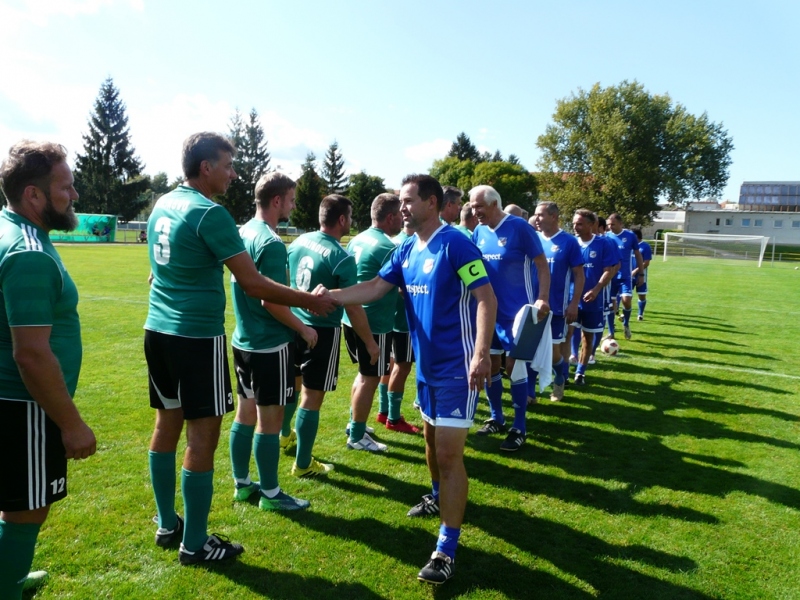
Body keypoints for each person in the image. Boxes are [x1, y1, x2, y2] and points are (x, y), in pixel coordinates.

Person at [145, 132, 337, 566]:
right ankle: (195, 544)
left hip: (156, 330)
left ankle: (166, 523)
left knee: (166, 426)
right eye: (227, 166)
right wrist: (311, 301)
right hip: (196, 337)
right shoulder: (208, 213)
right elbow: (253, 285)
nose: (233, 174)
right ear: (206, 167)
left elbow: (155, 272)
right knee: (201, 437)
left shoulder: (161, 204)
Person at [330, 174, 496, 585]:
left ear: (432, 202)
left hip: (458, 370)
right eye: (401, 201)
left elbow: (485, 298)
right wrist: (331, 297)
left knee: (448, 455)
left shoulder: (456, 243)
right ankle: (438, 498)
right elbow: (373, 288)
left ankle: (446, 548)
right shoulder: (406, 246)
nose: (401, 206)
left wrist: (480, 354)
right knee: (428, 440)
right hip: (426, 369)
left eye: (408, 200)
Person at [0, 141, 96, 599]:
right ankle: (7, 585)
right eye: (66, 186)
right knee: (27, 508)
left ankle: (8, 573)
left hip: (14, 401)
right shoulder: (29, 251)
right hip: (23, 405)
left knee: (15, 502)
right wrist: (72, 424)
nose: (74, 195)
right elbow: (32, 355)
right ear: (34, 195)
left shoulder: (7, 231)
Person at [228, 172, 317, 512]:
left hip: (244, 340)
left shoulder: (243, 232)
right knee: (270, 421)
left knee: (244, 414)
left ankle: (242, 484)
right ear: (277, 200)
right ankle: (270, 493)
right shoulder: (270, 242)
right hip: (270, 344)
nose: (293, 206)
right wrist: (303, 328)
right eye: (291, 200)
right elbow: (271, 301)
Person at [288, 194, 381, 476]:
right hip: (322, 333)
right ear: (342, 219)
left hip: (292, 324)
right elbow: (353, 308)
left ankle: (283, 435)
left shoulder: (297, 242)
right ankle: (303, 464)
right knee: (312, 397)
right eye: (350, 217)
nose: (351, 222)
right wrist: (369, 342)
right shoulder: (341, 258)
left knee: (291, 386)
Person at [470, 185, 550, 451]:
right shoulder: (478, 232)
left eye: (479, 206)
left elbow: (542, 263)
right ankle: (497, 417)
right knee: (490, 364)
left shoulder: (519, 227)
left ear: (494, 204)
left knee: (515, 365)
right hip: (488, 312)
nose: (474, 211)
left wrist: (543, 298)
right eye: (472, 206)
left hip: (517, 314)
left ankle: (520, 427)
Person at [343, 193, 418, 437]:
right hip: (374, 322)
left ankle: (356, 423)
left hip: (352, 316)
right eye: (400, 213)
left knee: (365, 376)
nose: (403, 217)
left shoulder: (359, 239)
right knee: (370, 378)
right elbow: (401, 288)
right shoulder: (387, 247)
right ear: (390, 217)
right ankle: (357, 435)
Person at [532, 201, 584, 402]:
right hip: (534, 306)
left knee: (553, 354)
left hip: (557, 308)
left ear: (554, 217)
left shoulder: (568, 242)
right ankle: (530, 393)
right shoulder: (534, 240)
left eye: (541, 215)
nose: (537, 218)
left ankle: (560, 376)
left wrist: (573, 303)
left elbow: (579, 275)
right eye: (536, 215)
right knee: (531, 350)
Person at [376, 221, 421, 432]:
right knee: (402, 367)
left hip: (390, 318)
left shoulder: (393, 241)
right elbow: (401, 287)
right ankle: (393, 418)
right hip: (403, 320)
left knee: (390, 364)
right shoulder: (409, 244)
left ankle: (383, 411)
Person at [571, 210, 618, 385]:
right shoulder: (571, 243)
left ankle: (580, 373)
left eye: (580, 223)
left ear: (592, 225)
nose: (575, 226)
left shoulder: (603, 243)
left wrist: (597, 289)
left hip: (593, 300)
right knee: (566, 334)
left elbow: (609, 270)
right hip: (570, 299)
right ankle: (561, 373)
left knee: (587, 337)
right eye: (574, 223)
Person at [606, 213, 644, 340]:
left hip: (625, 277)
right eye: (608, 225)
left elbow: (638, 255)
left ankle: (626, 323)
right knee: (610, 305)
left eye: (613, 224)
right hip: (610, 277)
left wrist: (641, 274)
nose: (610, 227)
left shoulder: (630, 236)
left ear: (621, 224)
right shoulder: (606, 237)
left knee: (626, 301)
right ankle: (611, 332)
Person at [631, 227, 652, 320]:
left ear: (636, 236)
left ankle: (640, 314)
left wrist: (636, 271)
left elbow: (646, 262)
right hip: (629, 275)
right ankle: (624, 314)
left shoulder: (645, 246)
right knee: (626, 295)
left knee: (641, 294)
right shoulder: (629, 245)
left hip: (641, 275)